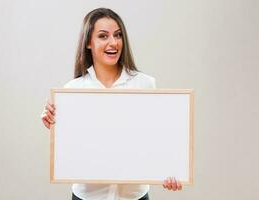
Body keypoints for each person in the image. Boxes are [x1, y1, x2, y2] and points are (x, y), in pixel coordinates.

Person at [41, 7, 182, 200]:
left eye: (117, 35)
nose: (113, 43)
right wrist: (54, 122)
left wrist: (170, 171)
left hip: (134, 196)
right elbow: (72, 149)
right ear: (88, 43)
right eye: (103, 36)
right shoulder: (72, 90)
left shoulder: (145, 84)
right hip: (87, 196)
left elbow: (156, 140)